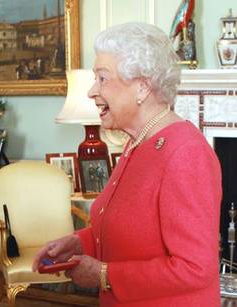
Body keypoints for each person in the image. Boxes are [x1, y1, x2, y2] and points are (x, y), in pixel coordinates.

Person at [33, 22, 222, 306]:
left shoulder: (186, 153)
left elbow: (196, 269)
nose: (91, 91)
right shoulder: (136, 143)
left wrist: (103, 274)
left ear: (142, 87)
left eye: (102, 79)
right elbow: (131, 233)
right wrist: (80, 242)